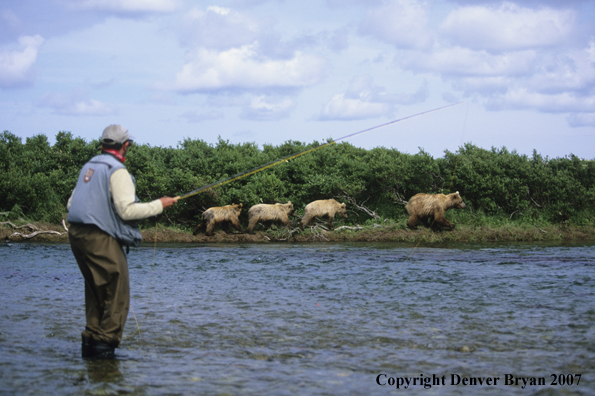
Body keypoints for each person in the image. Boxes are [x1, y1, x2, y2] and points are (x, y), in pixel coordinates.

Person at [67, 124, 178, 359]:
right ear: (125, 145)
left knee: (97, 290)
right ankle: (104, 353)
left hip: (76, 235)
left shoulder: (89, 166)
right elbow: (126, 212)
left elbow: (71, 204)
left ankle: (91, 351)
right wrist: (160, 205)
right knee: (117, 293)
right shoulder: (117, 171)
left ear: (103, 144)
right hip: (99, 238)